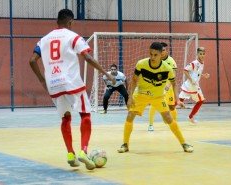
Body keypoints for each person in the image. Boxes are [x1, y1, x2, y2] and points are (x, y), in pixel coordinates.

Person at [29, 9, 116, 170]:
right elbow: (87, 57)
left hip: (53, 84)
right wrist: (107, 74)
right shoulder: (73, 37)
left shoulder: (44, 40)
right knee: (85, 114)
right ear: (71, 22)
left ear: (57, 21)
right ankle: (83, 151)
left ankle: (70, 153)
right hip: (71, 83)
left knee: (65, 118)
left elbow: (32, 60)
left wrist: (42, 80)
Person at [117, 42, 194, 153]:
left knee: (168, 118)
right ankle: (125, 145)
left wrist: (178, 99)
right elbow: (134, 80)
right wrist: (130, 97)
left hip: (158, 96)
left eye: (155, 55)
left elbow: (174, 83)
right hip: (141, 94)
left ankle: (184, 144)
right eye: (151, 54)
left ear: (160, 55)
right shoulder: (141, 64)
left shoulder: (167, 68)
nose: (152, 57)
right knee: (130, 116)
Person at [148, 42, 178, 131]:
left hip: (168, 88)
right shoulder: (155, 59)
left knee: (171, 107)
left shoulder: (171, 60)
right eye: (161, 50)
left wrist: (169, 84)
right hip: (157, 86)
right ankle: (150, 125)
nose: (163, 52)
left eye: (164, 50)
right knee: (154, 105)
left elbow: (174, 74)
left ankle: (174, 123)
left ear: (166, 50)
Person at [179, 47, 210, 124]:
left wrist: (203, 75)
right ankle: (190, 117)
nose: (202, 55)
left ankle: (168, 110)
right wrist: (191, 80)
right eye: (200, 54)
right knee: (201, 101)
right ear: (197, 54)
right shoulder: (194, 63)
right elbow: (185, 70)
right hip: (192, 85)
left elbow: (196, 73)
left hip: (189, 85)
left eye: (203, 54)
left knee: (179, 101)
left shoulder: (202, 63)